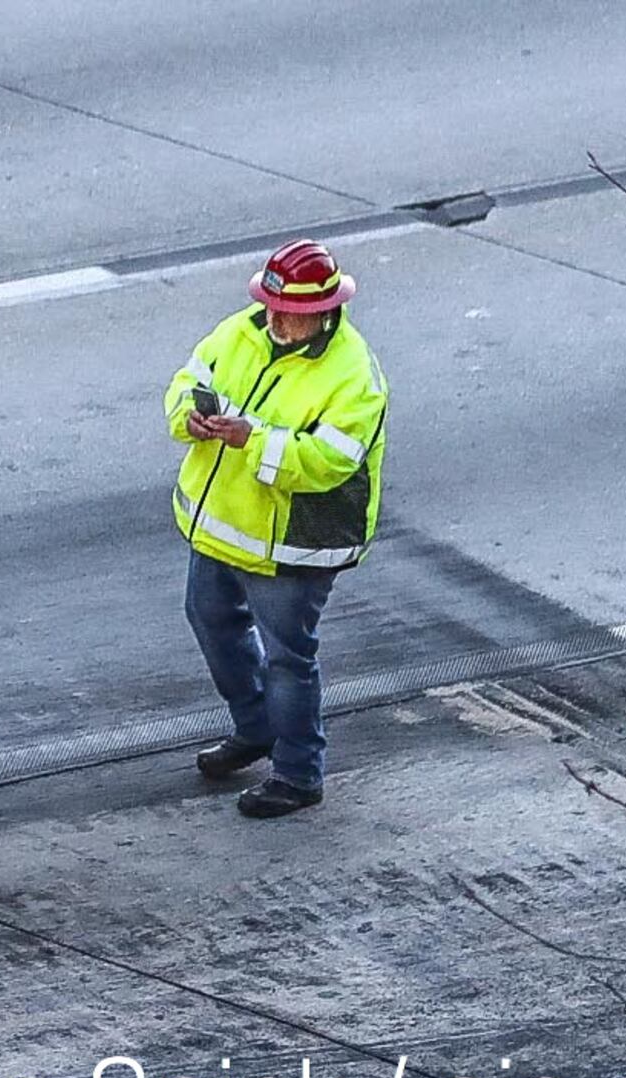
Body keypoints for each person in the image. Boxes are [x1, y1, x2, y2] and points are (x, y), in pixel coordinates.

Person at [166, 238, 389, 819]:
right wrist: (189, 418)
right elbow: (188, 379)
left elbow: (330, 462)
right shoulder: (242, 330)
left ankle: (298, 774)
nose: (273, 317)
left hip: (293, 541)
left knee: (288, 658)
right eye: (268, 304)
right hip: (223, 526)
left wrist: (252, 440)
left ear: (322, 311)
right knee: (211, 620)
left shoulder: (353, 376)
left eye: (285, 310)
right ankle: (256, 726)